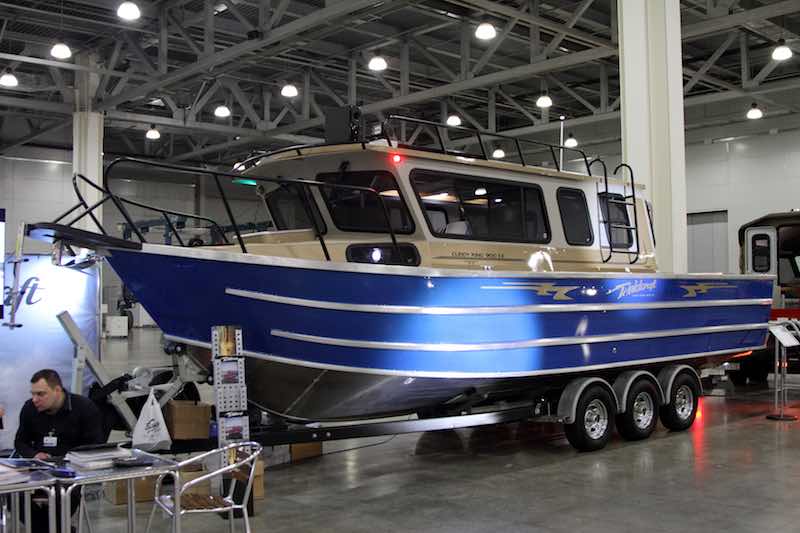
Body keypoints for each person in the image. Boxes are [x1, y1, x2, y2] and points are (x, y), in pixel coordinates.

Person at [14, 369, 106, 532]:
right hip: (38, 470)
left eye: (41, 394)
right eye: (33, 394)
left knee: (60, 496)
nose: (35, 399)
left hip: (71, 472)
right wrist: (35, 455)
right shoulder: (30, 408)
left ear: (57, 390)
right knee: (13, 494)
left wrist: (65, 459)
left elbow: (94, 445)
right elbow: (20, 442)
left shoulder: (84, 408)